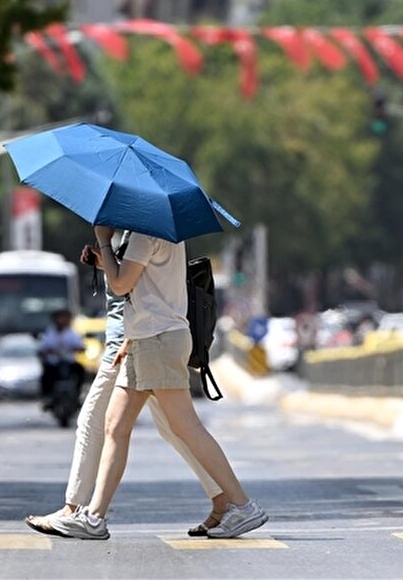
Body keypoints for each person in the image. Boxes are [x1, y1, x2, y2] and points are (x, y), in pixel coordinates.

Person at [46, 226, 266, 540]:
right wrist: (103, 260)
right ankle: (93, 518)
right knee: (115, 426)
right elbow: (142, 279)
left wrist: (105, 243)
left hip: (158, 338)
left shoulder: (145, 234)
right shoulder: (161, 230)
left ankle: (243, 506)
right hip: (143, 339)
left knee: (185, 427)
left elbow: (121, 285)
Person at [37, 309, 85, 409]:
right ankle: (47, 397)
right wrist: (49, 351)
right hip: (54, 363)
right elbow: (42, 347)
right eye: (59, 318)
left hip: (68, 362)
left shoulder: (72, 333)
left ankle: (77, 395)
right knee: (46, 375)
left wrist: (76, 349)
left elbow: (80, 346)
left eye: (64, 318)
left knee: (80, 370)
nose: (62, 320)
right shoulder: (49, 333)